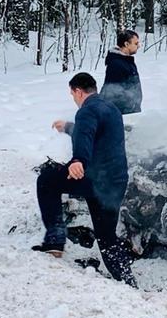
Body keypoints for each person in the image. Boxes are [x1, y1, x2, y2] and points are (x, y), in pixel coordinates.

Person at [34, 72, 136, 287]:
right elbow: (93, 133)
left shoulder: (86, 111)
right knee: (107, 236)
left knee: (47, 180)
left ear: (78, 91)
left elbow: (86, 135)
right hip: (116, 182)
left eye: (73, 95)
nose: (74, 99)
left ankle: (54, 241)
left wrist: (78, 159)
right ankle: (128, 282)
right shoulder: (112, 109)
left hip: (95, 180)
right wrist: (70, 128)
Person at [101, 30, 143, 114]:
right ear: (126, 44)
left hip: (131, 112)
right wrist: (129, 109)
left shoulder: (126, 61)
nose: (138, 46)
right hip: (123, 115)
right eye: (135, 43)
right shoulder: (116, 64)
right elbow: (112, 93)